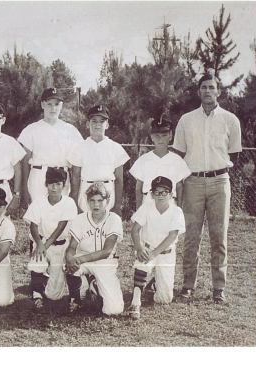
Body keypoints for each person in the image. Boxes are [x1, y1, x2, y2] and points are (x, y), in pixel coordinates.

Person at [173, 73, 242, 304]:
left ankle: (218, 288)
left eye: (212, 87)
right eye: (203, 87)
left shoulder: (230, 119)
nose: (207, 91)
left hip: (219, 181)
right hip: (192, 182)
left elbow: (233, 154)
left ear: (218, 91)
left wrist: (216, 170)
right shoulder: (186, 120)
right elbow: (179, 153)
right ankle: (187, 286)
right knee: (191, 236)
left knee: (219, 236)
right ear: (198, 91)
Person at [127, 176, 185, 320]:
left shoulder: (176, 211)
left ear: (171, 194)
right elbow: (135, 230)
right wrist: (140, 249)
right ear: (152, 194)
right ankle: (135, 301)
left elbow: (172, 236)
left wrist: (154, 253)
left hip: (166, 253)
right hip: (147, 249)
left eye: (164, 192)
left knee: (164, 299)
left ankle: (152, 284)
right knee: (142, 263)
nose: (160, 195)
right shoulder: (146, 207)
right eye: (156, 192)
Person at [64, 182, 124, 316]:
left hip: (105, 262)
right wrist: (69, 257)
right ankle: (75, 299)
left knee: (114, 310)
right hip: (84, 258)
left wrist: (78, 259)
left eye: (100, 201)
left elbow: (106, 251)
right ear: (87, 201)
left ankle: (93, 283)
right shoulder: (80, 219)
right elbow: (72, 246)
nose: (96, 205)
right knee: (71, 267)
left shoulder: (114, 219)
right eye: (92, 201)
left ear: (107, 201)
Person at [18, 87, 83, 206]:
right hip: (39, 176)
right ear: (42, 105)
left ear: (61, 105)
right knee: (39, 216)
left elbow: (76, 164)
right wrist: (24, 190)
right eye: (49, 104)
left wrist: (74, 192)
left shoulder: (70, 130)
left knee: (60, 216)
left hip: (62, 177)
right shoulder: (31, 129)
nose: (53, 108)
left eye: (57, 104)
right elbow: (25, 162)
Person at [24, 168, 77, 311]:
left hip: (60, 245)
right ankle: (36, 294)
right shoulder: (39, 201)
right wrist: (39, 244)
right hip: (42, 242)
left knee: (54, 295)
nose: (54, 187)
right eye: (51, 183)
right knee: (37, 260)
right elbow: (33, 226)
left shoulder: (69, 202)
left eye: (58, 184)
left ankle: (48, 281)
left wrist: (43, 246)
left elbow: (60, 227)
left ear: (64, 185)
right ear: (46, 184)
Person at [68, 104, 129, 215]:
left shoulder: (115, 147)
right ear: (88, 124)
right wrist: (75, 204)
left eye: (101, 121)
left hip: (107, 191)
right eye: (94, 121)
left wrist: (117, 206)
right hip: (86, 190)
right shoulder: (80, 147)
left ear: (107, 125)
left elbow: (119, 179)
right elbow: (75, 177)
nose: (97, 125)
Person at [129, 116, 191, 209]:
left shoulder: (177, 160)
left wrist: (179, 210)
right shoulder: (144, 160)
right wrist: (138, 210)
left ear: (170, 136)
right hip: (148, 202)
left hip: (169, 203)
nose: (161, 139)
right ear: (152, 137)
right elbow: (139, 187)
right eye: (157, 136)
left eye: (164, 135)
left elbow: (179, 188)